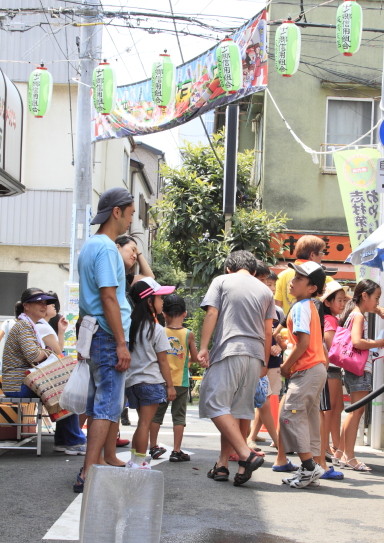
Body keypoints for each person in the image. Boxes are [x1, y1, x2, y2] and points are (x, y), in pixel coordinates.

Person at [74, 187, 135, 493]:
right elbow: (109, 296)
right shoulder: (108, 248)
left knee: (104, 401)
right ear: (117, 211)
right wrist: (122, 343)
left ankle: (99, 463)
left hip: (94, 332)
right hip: (108, 336)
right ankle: (89, 471)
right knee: (106, 405)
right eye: (131, 212)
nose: (131, 219)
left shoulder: (89, 246)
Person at [198, 250, 275, 487]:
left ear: (229, 268)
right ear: (253, 270)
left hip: (230, 349)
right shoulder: (264, 289)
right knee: (238, 410)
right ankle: (227, 465)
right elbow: (268, 330)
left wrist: (203, 347)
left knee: (213, 401)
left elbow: (212, 312)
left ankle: (245, 454)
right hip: (254, 355)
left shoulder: (222, 281)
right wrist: (264, 361)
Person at [2, 288, 86, 454]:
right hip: (18, 384)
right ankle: (70, 440)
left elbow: (38, 354)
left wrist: (45, 351)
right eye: (38, 302)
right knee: (65, 390)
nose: (44, 305)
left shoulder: (29, 325)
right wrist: (48, 351)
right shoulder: (24, 326)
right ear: (26, 306)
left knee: (65, 388)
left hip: (24, 381)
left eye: (45, 302)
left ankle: (67, 440)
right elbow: (34, 355)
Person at [279, 261, 327, 489]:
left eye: (299, 279)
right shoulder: (309, 306)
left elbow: (303, 342)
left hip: (306, 369)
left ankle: (309, 466)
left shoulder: (300, 307)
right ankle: (311, 467)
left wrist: (286, 366)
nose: (292, 281)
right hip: (316, 369)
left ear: (311, 287)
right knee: (308, 418)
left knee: (290, 415)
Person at [333, 280, 384, 471]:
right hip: (360, 368)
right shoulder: (358, 316)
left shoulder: (352, 312)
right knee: (356, 412)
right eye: (376, 298)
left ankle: (341, 452)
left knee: (354, 411)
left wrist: (377, 310)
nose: (377, 302)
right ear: (365, 296)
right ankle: (350, 456)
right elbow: (357, 342)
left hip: (352, 367)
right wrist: (379, 342)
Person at [125, 277, 176, 468]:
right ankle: (138, 461)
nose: (162, 302)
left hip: (132, 382)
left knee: (141, 423)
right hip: (152, 382)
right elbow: (163, 361)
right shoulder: (157, 329)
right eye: (159, 298)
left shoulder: (129, 326)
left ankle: (134, 460)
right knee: (145, 424)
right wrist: (170, 386)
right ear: (149, 301)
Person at [149, 293, 198, 462]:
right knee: (179, 417)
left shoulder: (159, 331)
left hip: (161, 381)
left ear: (164, 314)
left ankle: (153, 446)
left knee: (156, 416)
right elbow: (195, 358)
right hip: (181, 383)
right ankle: (176, 450)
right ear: (185, 313)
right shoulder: (188, 334)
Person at [115, 233, 155, 428]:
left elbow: (149, 278)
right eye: (131, 249)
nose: (134, 255)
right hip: (112, 337)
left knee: (114, 394)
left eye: (136, 252)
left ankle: (112, 436)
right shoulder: (110, 272)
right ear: (117, 247)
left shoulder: (127, 277)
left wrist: (139, 254)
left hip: (123, 336)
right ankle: (78, 435)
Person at [320, 281, 348, 460]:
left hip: (332, 369)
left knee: (336, 408)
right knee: (330, 410)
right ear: (327, 302)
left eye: (344, 300)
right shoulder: (330, 320)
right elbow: (332, 346)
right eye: (339, 300)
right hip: (331, 368)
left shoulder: (331, 318)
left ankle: (334, 445)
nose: (343, 304)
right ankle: (326, 447)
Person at [275, 235, 332, 314]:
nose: (322, 256)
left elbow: (277, 307)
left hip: (289, 324)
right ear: (312, 255)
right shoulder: (322, 277)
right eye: (321, 253)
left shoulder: (282, 276)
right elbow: (338, 299)